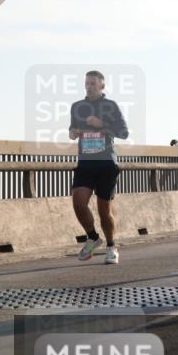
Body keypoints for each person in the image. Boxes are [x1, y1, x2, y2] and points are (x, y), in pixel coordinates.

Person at [71, 70, 129, 265]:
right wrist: (73, 132)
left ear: (102, 86)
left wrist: (101, 124)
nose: (89, 86)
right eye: (87, 83)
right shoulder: (77, 106)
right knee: (78, 202)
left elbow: (124, 132)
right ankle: (93, 238)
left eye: (93, 83)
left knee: (104, 210)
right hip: (85, 163)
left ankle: (112, 247)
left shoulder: (110, 106)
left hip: (106, 164)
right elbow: (73, 127)